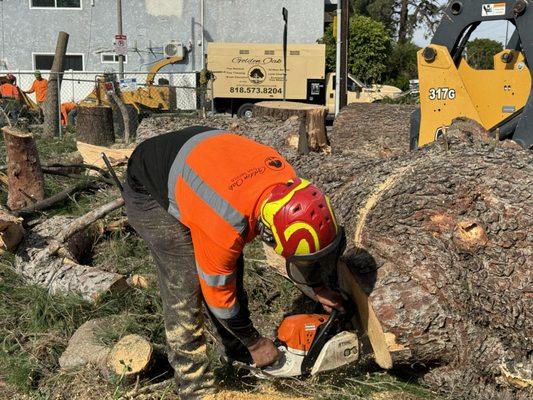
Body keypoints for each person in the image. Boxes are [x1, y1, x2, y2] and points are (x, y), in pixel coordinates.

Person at [123, 127, 345, 399]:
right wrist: (255, 340)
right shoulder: (225, 224)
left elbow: (299, 245)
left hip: (202, 160)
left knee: (226, 264)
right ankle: (194, 386)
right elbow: (219, 296)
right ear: (267, 233)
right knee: (187, 283)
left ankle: (237, 352)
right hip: (149, 183)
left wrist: (317, 286)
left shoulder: (288, 184)